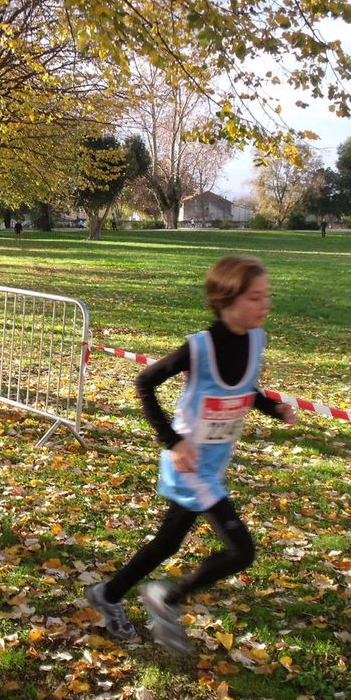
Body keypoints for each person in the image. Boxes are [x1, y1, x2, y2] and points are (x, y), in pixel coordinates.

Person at [86, 255, 296, 649]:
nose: (264, 305)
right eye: (255, 297)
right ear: (226, 300)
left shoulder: (255, 340)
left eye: (267, 296)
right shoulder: (199, 348)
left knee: (167, 542)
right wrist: (173, 441)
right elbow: (145, 382)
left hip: (213, 467)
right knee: (241, 551)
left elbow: (243, 388)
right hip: (188, 465)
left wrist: (273, 408)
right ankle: (167, 597)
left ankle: (109, 594)